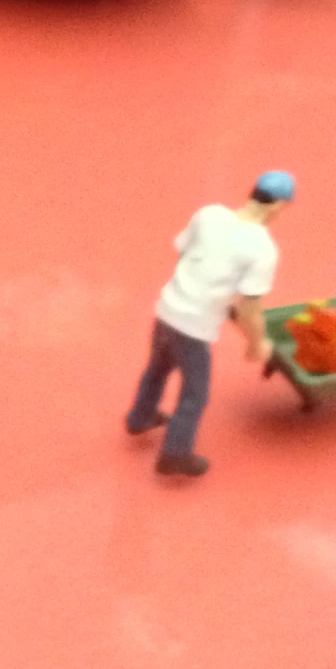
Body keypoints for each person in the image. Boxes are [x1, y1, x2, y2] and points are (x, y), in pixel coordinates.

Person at [125, 172, 291, 478]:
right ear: (278, 206)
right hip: (194, 327)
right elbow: (250, 308)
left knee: (157, 369)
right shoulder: (263, 248)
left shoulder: (210, 214)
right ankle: (175, 455)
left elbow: (186, 253)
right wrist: (258, 344)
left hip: (167, 309)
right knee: (194, 394)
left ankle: (140, 416)